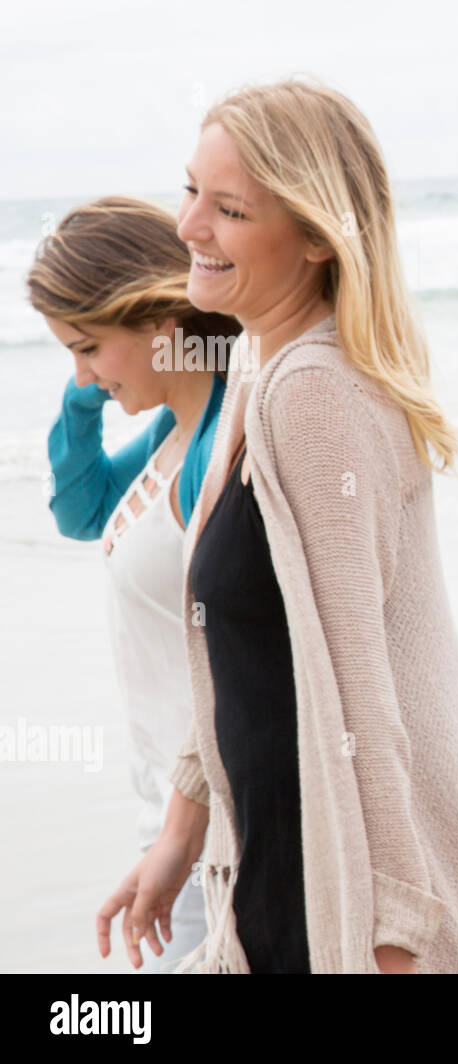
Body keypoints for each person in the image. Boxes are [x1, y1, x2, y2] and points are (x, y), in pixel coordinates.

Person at [98, 79, 458, 973]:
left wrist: (393, 931)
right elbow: (243, 658)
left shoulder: (312, 392)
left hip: (335, 898)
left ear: (313, 239)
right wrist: (180, 833)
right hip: (276, 874)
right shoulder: (264, 367)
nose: (187, 227)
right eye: (190, 191)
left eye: (228, 209)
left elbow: (361, 693)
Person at [28, 196, 239, 972]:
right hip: (166, 808)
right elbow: (83, 512)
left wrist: (185, 825)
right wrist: (86, 392)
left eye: (88, 347)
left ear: (159, 319)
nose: (81, 372)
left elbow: (245, 648)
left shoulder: (219, 439)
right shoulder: (174, 426)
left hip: (215, 816)